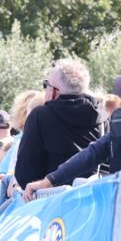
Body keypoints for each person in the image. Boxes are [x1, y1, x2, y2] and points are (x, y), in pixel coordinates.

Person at [13, 58, 103, 189]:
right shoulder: (102, 116)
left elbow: (25, 174)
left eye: (46, 85)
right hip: (95, 200)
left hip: (52, 201)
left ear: (54, 92)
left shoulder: (41, 115)